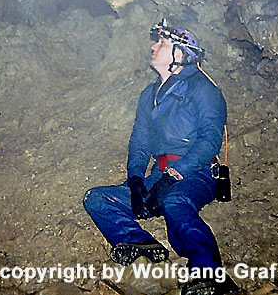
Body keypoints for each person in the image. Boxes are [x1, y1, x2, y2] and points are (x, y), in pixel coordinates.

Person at [83, 19, 238, 295]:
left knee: (175, 200)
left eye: (162, 43)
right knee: (97, 198)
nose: (154, 46)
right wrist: (135, 180)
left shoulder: (203, 90)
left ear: (181, 54)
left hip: (197, 172)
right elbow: (140, 141)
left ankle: (210, 273)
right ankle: (141, 244)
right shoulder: (149, 95)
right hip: (159, 174)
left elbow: (210, 141)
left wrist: (173, 176)